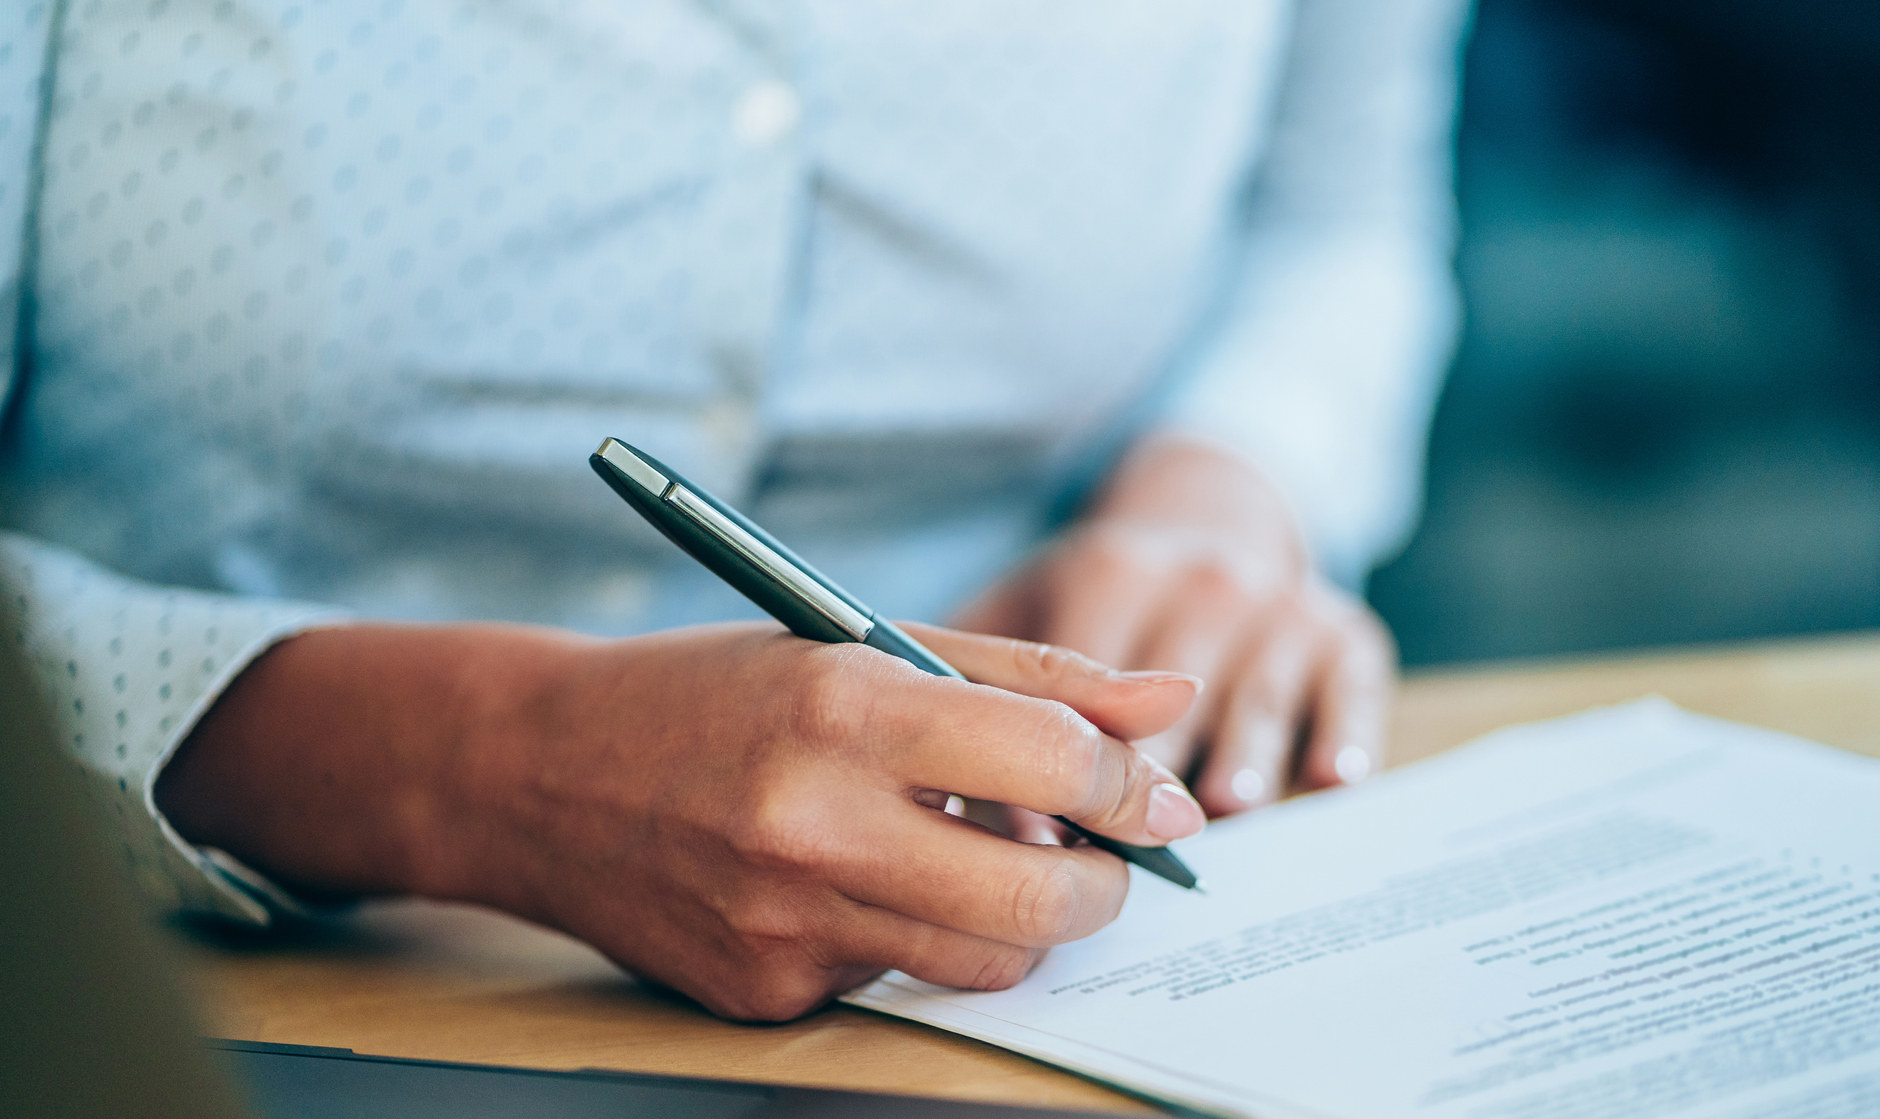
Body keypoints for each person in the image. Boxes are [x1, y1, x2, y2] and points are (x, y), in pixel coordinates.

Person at [0, 0, 1466, 1019]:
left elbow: (1330, 215)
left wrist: (1222, 485)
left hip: (991, 989)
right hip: (155, 986)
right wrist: (476, 768)